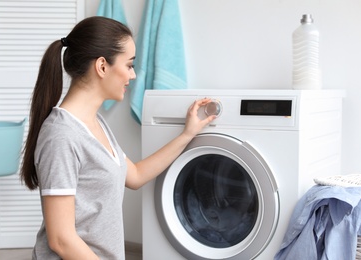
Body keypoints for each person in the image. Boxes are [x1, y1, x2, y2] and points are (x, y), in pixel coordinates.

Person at [20, 16, 216, 260]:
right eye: (129, 65)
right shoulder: (61, 135)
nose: (132, 75)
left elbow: (134, 175)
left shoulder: (95, 123)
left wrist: (187, 134)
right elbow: (61, 240)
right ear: (102, 66)